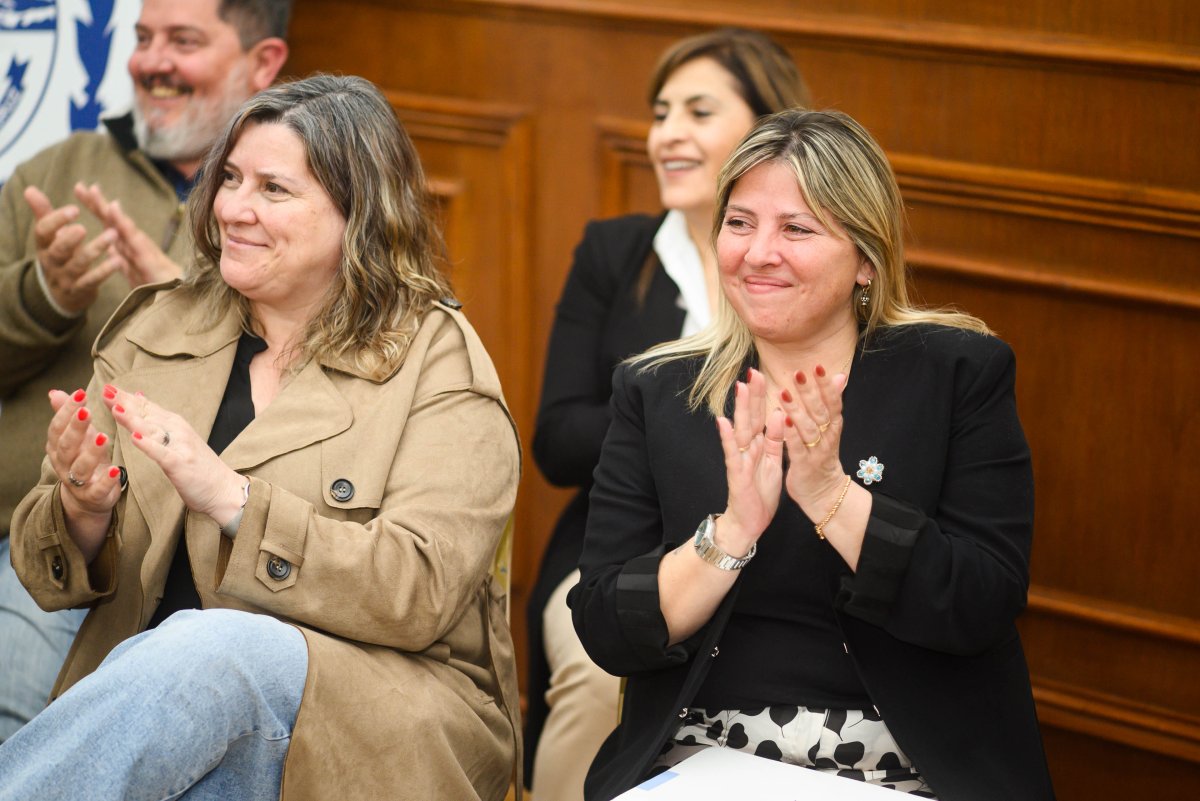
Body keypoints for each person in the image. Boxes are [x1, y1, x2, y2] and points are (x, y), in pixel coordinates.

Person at [0, 74, 522, 801]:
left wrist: (233, 499)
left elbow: (419, 591)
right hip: (167, 726)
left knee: (213, 646)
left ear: (359, 213)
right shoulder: (160, 327)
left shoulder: (437, 361)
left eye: (274, 189)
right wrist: (82, 509)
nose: (233, 208)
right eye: (230, 178)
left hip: (372, 720)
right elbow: (42, 573)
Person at [569, 109, 1056, 800]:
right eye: (740, 223)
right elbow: (606, 627)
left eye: (796, 229)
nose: (758, 252)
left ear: (867, 258)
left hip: (903, 766)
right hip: (703, 756)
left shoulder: (956, 374)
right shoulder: (657, 390)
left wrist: (832, 494)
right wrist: (731, 533)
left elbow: (981, 602)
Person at [525, 28, 810, 800]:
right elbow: (556, 439)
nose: (667, 135)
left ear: (768, 128)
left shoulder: (801, 266)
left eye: (698, 111)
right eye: (660, 113)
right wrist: (663, 398)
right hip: (617, 539)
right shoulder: (614, 253)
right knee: (595, 673)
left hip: (780, 543)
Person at [0, 0, 291, 742]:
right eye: (142, 38)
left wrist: (193, 313)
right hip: (45, 536)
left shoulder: (293, 209)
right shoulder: (61, 169)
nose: (151, 62)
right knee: (25, 734)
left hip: (207, 557)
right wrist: (43, 296)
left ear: (262, 62)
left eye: (183, 41)